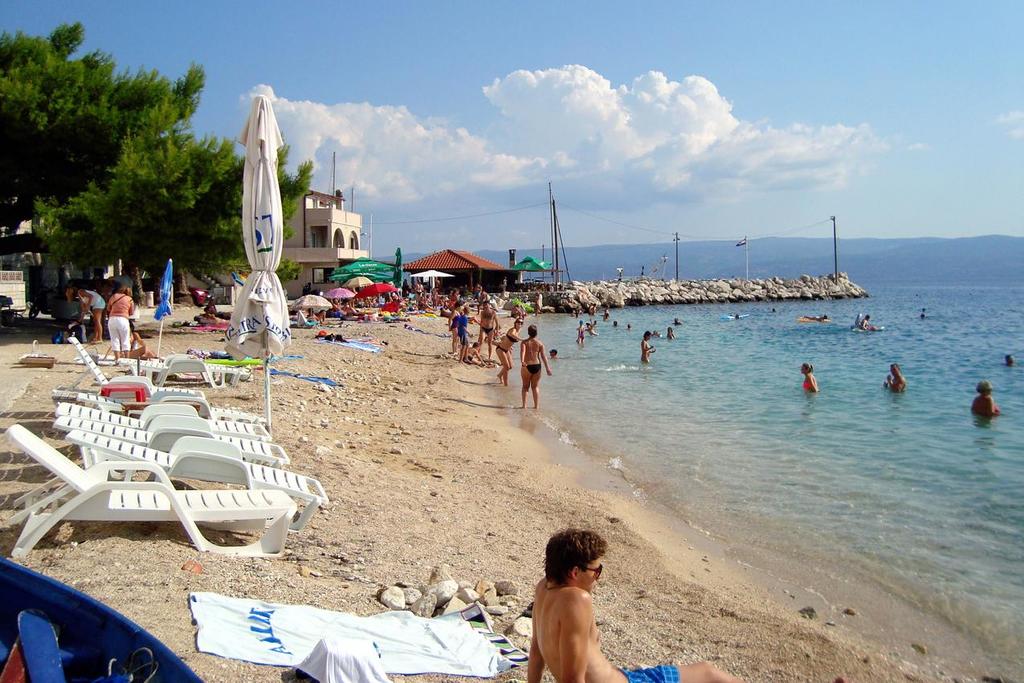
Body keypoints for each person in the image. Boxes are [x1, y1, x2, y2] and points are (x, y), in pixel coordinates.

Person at [530, 529, 742, 683]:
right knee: (709, 673)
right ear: (575, 572)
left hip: (624, 676)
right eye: (596, 571)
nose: (598, 578)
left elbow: (537, 653)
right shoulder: (577, 599)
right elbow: (573, 679)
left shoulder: (543, 589)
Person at [520, 324, 552, 409]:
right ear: (536, 333)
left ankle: (524, 406)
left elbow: (523, 351)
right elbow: (543, 356)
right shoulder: (540, 343)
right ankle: (536, 406)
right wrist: (547, 368)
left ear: (528, 332)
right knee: (535, 387)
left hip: (527, 365)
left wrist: (522, 361)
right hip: (537, 366)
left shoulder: (524, 342)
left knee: (525, 387)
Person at [104, 283, 135, 361]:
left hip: (112, 319)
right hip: (123, 320)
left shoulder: (114, 296)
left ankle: (117, 359)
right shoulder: (130, 299)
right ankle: (127, 359)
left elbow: (108, 308)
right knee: (125, 339)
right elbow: (131, 312)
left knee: (114, 339)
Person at [495, 318, 523, 386]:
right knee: (506, 367)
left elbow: (507, 339)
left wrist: (510, 347)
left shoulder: (518, 331)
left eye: (521, 323)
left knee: (510, 366)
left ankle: (499, 375)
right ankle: (506, 384)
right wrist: (521, 339)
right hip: (501, 349)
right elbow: (512, 335)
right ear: (515, 323)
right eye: (518, 322)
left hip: (507, 350)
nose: (519, 324)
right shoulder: (513, 329)